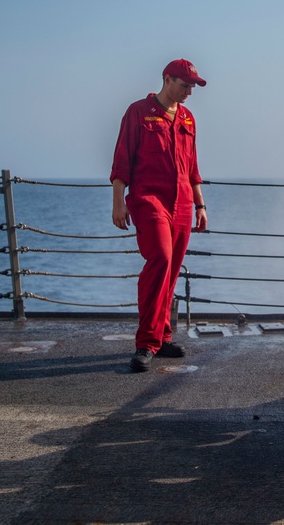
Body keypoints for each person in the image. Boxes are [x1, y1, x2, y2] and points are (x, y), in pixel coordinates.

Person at [110, 59, 208, 373]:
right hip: (149, 196)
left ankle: (163, 337)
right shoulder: (138, 111)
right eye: (185, 84)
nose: (190, 91)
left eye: (193, 86)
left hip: (181, 201)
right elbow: (122, 159)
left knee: (172, 268)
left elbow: (192, 168)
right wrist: (118, 201)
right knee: (161, 259)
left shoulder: (188, 119)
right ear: (167, 79)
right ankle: (146, 343)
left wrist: (200, 205)